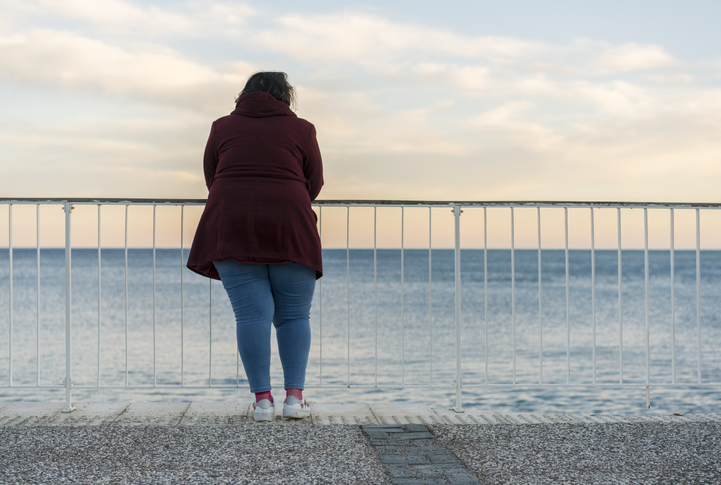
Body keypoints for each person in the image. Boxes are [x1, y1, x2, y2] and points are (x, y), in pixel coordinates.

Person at [186, 71, 323, 421]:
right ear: (285, 97)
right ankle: (294, 400)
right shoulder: (303, 128)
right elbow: (314, 181)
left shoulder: (221, 126)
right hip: (290, 224)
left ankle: (263, 402)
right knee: (294, 316)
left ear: (243, 95)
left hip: (232, 223)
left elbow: (211, 175)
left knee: (251, 316)